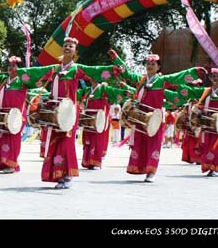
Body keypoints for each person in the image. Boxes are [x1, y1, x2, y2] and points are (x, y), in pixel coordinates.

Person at [17, 38, 120, 188]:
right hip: (54, 109)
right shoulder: (55, 68)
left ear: (75, 52)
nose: (67, 48)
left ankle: (67, 175)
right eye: (65, 46)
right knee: (53, 142)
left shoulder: (76, 69)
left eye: (70, 46)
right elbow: (35, 72)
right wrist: (17, 72)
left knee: (66, 143)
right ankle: (56, 175)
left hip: (69, 111)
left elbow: (95, 70)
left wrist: (114, 68)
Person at [113, 52, 204, 182]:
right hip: (140, 116)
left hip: (154, 118)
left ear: (158, 67)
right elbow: (128, 74)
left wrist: (194, 71)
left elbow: (177, 76)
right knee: (140, 143)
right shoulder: (142, 80)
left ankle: (151, 172)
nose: (150, 66)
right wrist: (117, 59)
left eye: (153, 64)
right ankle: (140, 167)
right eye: (148, 64)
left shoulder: (161, 80)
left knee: (153, 144)